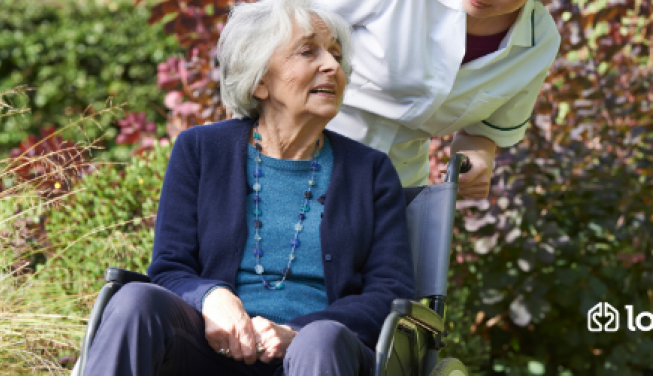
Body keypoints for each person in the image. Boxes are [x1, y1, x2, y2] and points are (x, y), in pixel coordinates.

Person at [81, 1, 413, 375]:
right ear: (259, 81)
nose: (332, 66)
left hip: (317, 357)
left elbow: (389, 294)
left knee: (319, 340)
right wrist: (211, 297)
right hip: (209, 348)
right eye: (309, 51)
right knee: (135, 300)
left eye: (336, 56)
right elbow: (170, 269)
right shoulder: (200, 151)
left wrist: (297, 332)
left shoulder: (370, 171)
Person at [320, 0, 561, 199]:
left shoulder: (539, 41)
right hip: (310, 148)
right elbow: (291, 32)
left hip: (397, 186)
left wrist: (477, 158)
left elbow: (484, 133)